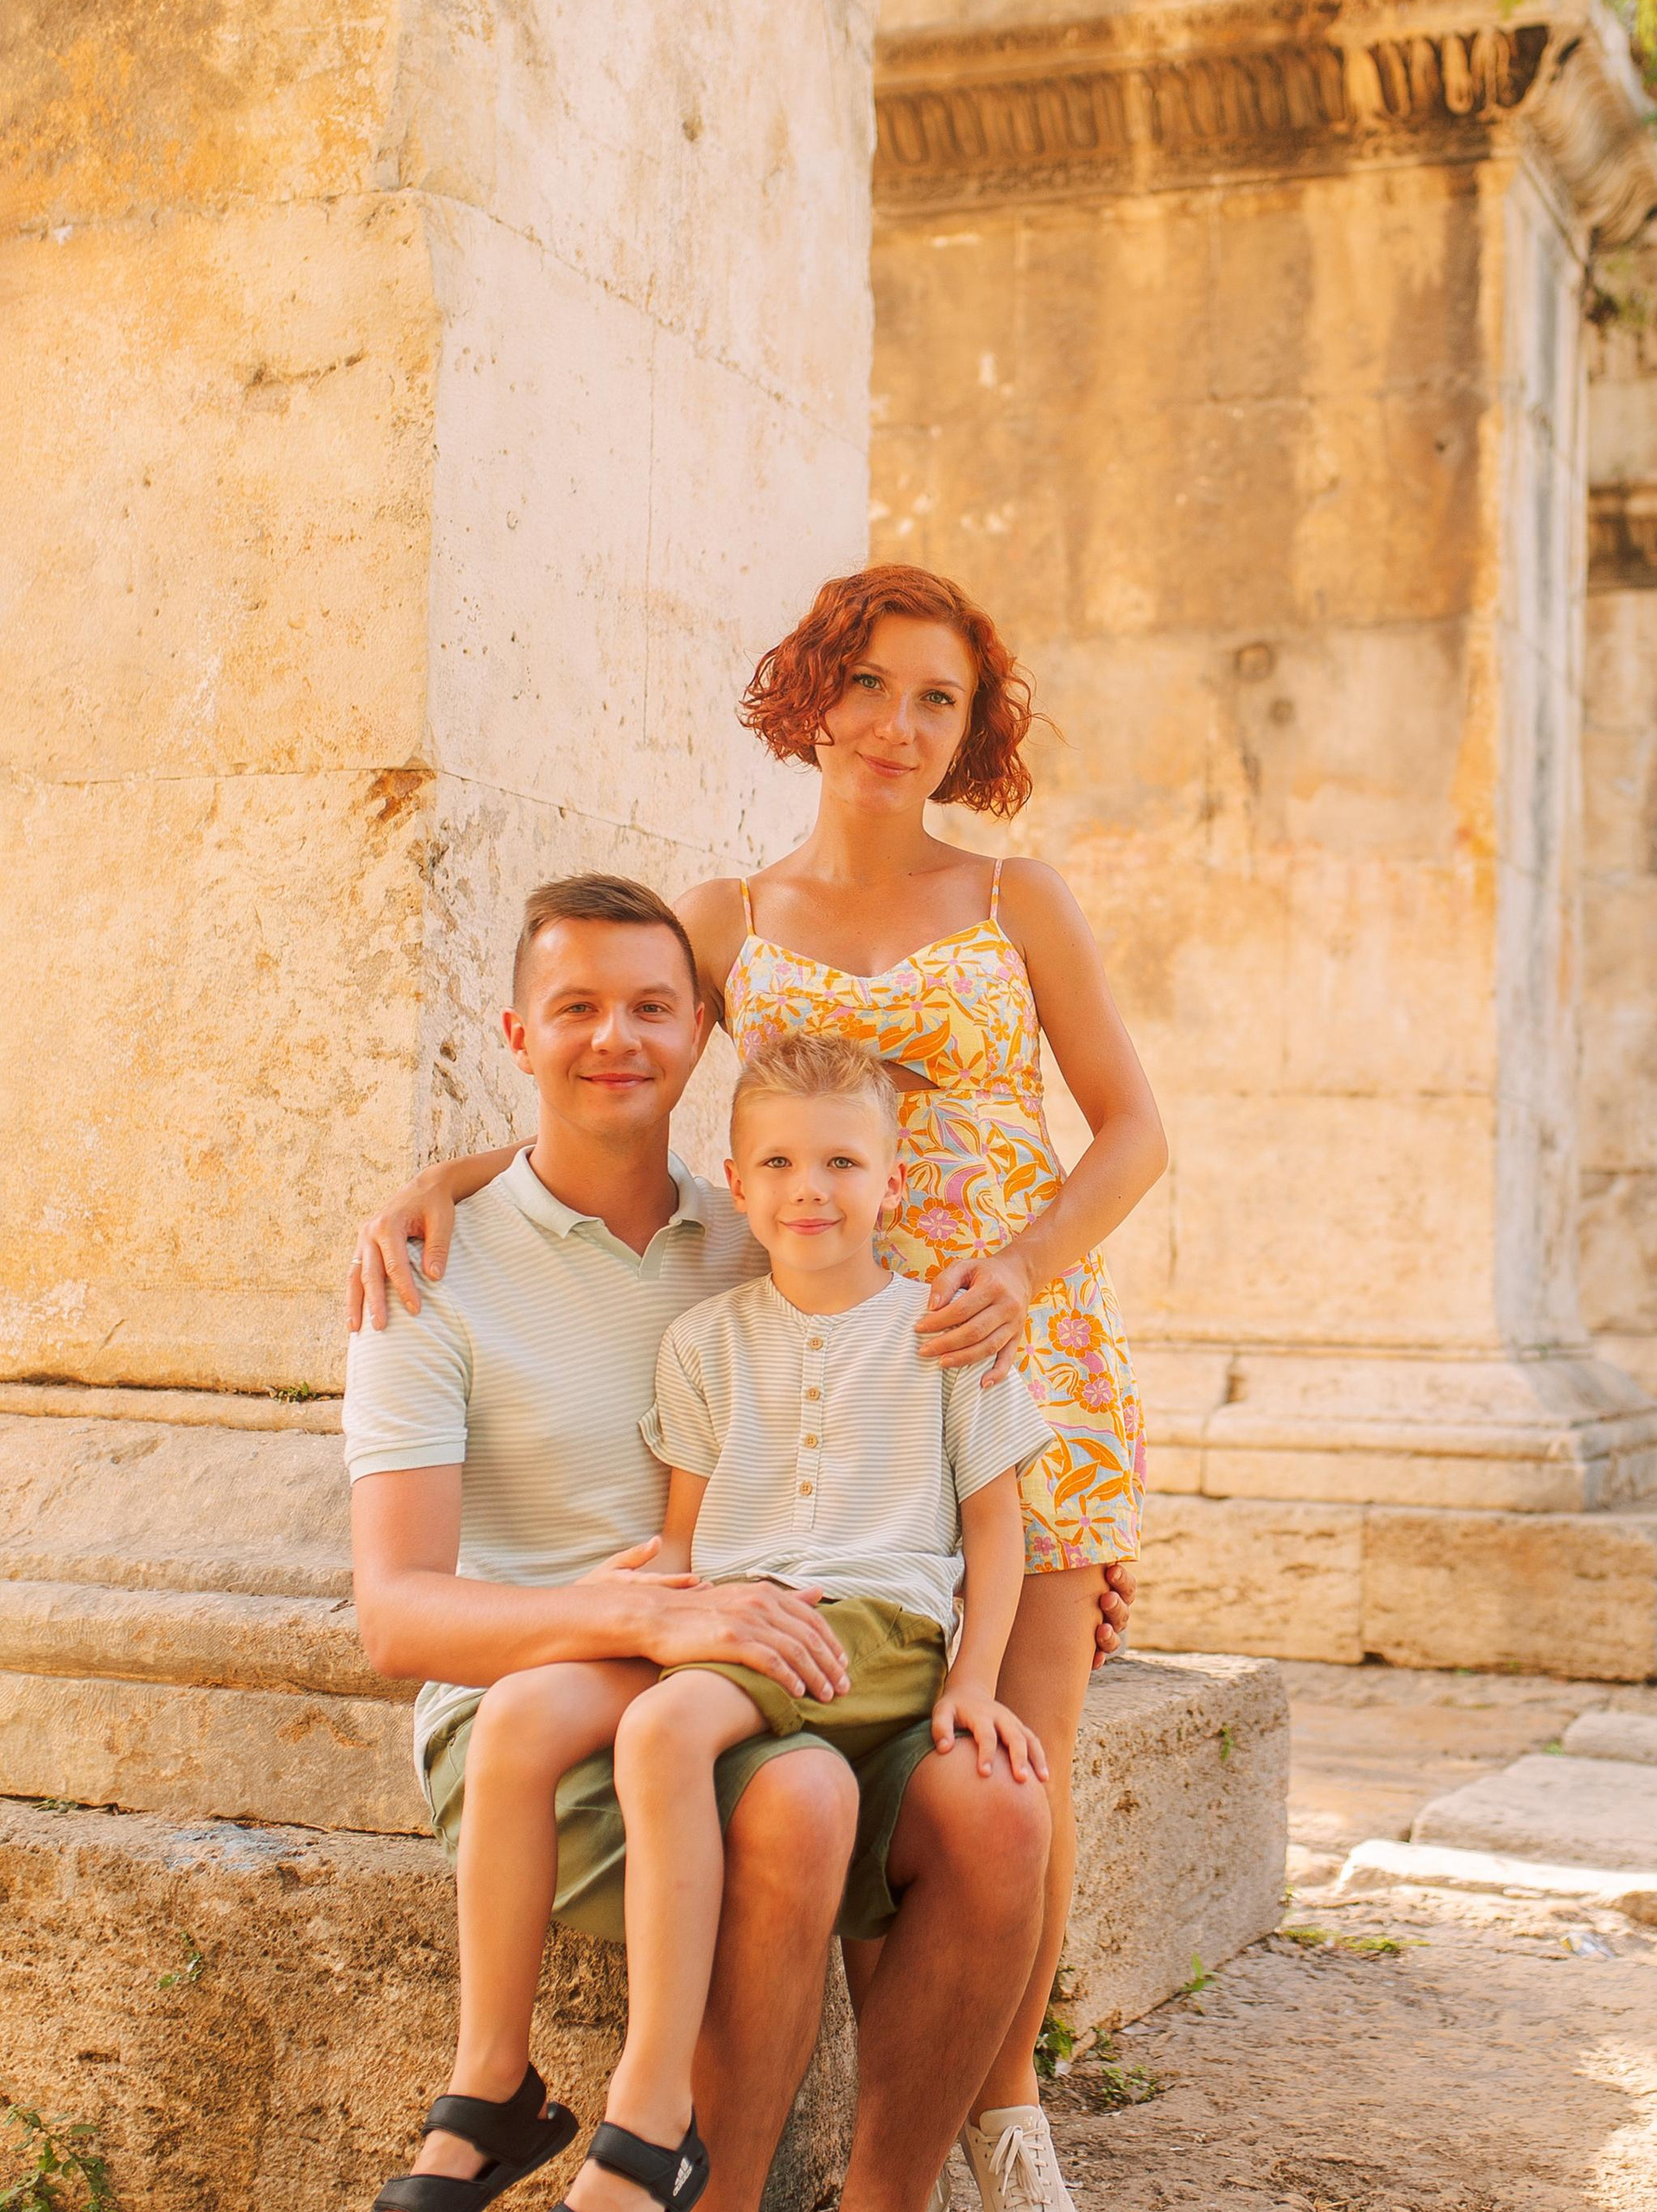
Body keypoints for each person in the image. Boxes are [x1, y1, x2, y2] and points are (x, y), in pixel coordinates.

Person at [353, 565, 1167, 2210]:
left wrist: (1022, 1272)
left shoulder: (1016, 898)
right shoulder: (728, 915)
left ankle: (1000, 2118)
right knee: (851, 1749)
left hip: (1004, 1345)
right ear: (813, 693)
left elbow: (1135, 1131)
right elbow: (616, 1067)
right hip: (808, 1346)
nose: (898, 725)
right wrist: (446, 1178)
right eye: (869, 684)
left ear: (972, 727)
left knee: (1008, 1762)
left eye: (938, 699)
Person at [348, 875, 1053, 2212]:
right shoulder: (424, 1267)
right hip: (581, 1671)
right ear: (516, 1035)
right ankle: (620, 2136)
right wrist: (649, 1613)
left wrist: (1062, 1588)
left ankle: (879, 2194)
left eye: (652, 1009)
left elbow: (943, 1449)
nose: (616, 1037)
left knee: (995, 1808)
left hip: (754, 1640)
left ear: (700, 1033)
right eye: (576, 1009)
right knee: (798, 1795)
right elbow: (394, 1620)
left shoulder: (761, 1233)